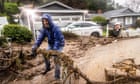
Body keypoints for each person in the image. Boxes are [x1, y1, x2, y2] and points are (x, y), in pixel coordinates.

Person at [31, 13, 65, 80]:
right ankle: (48, 67)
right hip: (51, 44)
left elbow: (57, 40)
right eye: (43, 21)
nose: (45, 22)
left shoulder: (56, 28)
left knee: (56, 59)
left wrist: (55, 50)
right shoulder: (44, 29)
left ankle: (57, 77)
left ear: (49, 21)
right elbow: (40, 38)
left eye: (46, 20)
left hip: (59, 44)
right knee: (45, 54)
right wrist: (35, 46)